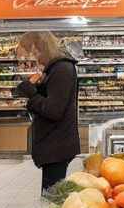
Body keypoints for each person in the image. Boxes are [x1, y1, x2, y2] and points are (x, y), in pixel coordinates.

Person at [14, 30, 80, 192]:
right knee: (52, 195)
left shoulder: (61, 69)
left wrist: (32, 94)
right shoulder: (55, 68)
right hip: (54, 144)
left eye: (31, 53)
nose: (32, 59)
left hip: (57, 144)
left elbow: (53, 110)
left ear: (39, 48)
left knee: (51, 199)